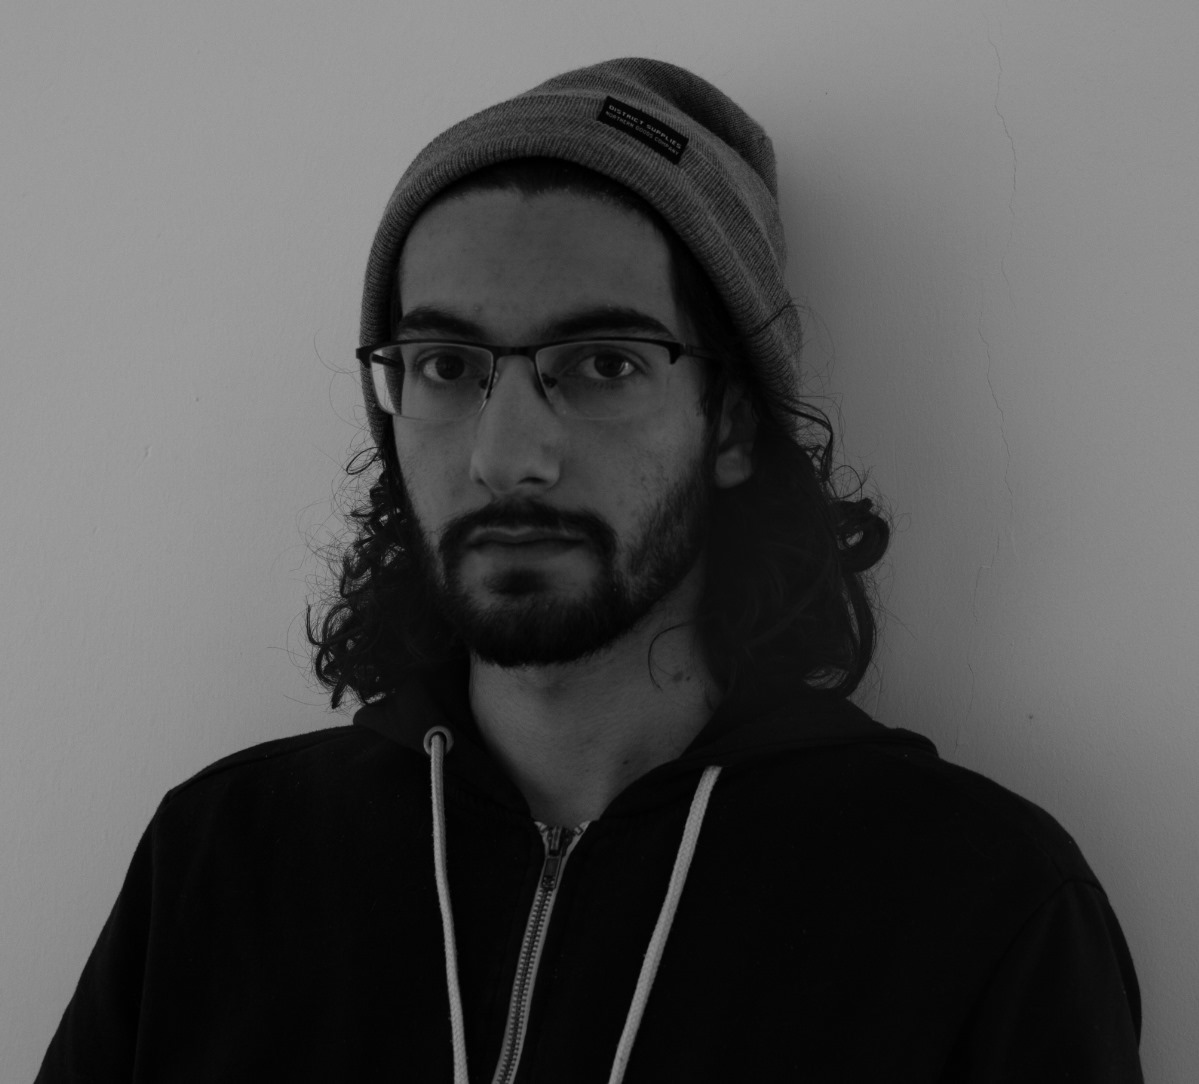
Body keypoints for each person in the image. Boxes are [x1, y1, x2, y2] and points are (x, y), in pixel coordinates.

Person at [37, 58, 1143, 1082]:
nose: (505, 453)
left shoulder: (978, 902)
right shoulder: (222, 860)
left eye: (603, 363)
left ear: (730, 422)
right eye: (446, 365)